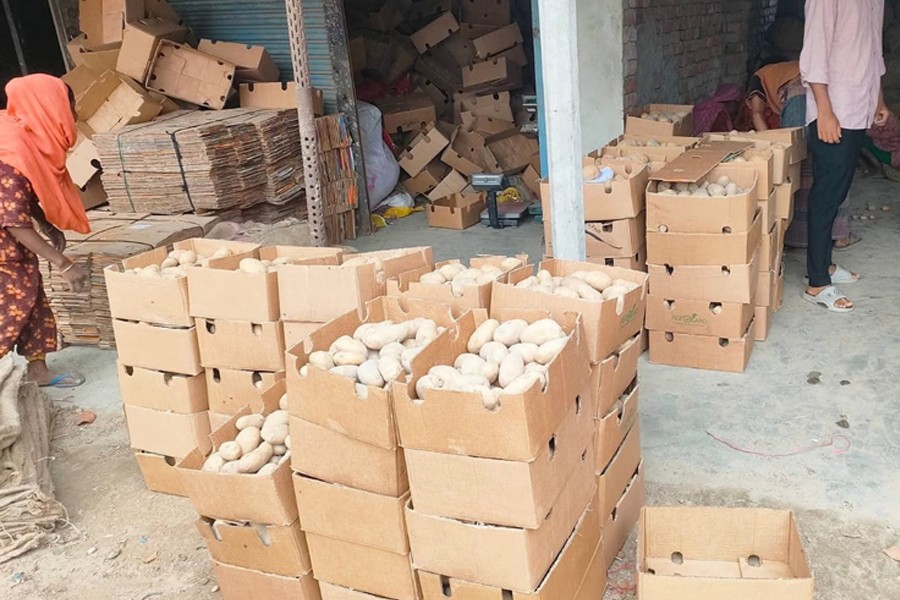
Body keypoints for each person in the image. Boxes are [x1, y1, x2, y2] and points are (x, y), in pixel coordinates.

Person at [0, 74, 91, 386]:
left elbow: (24, 190)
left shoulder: (23, 137)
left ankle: (38, 373)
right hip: (4, 249)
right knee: (9, 311)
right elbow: (13, 222)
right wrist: (64, 263)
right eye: (68, 105)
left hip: (11, 247)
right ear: (49, 107)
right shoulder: (10, 151)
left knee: (34, 301)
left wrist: (45, 221)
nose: (74, 114)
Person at [799, 0, 888, 313]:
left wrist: (878, 99)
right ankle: (817, 283)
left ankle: (825, 265)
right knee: (826, 193)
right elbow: (814, 54)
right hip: (833, 109)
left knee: (838, 190)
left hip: (857, 105)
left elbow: (873, 51)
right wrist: (824, 110)